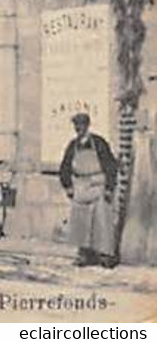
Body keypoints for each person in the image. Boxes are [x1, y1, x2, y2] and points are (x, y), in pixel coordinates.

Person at [58, 112, 120, 268]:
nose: (79, 128)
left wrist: (109, 188)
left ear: (87, 125)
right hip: (81, 188)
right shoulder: (72, 146)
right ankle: (85, 255)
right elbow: (64, 167)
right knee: (81, 223)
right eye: (76, 126)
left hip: (98, 186)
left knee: (102, 222)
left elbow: (111, 165)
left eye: (81, 125)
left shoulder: (99, 143)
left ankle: (106, 255)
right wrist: (68, 186)